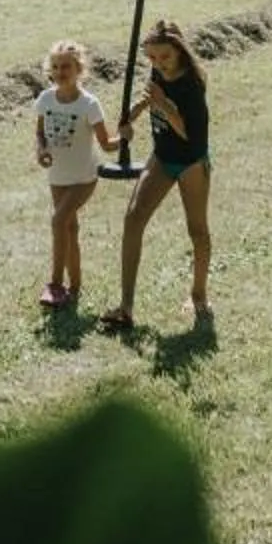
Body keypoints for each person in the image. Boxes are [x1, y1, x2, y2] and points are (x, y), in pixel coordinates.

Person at [100, 20, 210, 331]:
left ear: (179, 53)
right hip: (162, 157)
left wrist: (165, 105)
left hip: (191, 161)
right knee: (133, 219)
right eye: (152, 59)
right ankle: (126, 307)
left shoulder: (192, 85)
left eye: (165, 58)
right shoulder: (158, 73)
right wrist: (131, 115)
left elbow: (189, 133)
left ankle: (199, 295)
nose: (158, 64)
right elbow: (151, 95)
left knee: (197, 230)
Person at [31, 40, 115, 308]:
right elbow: (40, 132)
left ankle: (55, 285)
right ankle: (75, 288)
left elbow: (106, 144)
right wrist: (41, 149)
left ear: (79, 68)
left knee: (58, 222)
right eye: (55, 66)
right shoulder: (46, 99)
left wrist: (124, 138)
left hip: (84, 177)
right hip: (57, 176)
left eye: (66, 66)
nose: (60, 71)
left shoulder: (89, 104)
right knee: (69, 228)